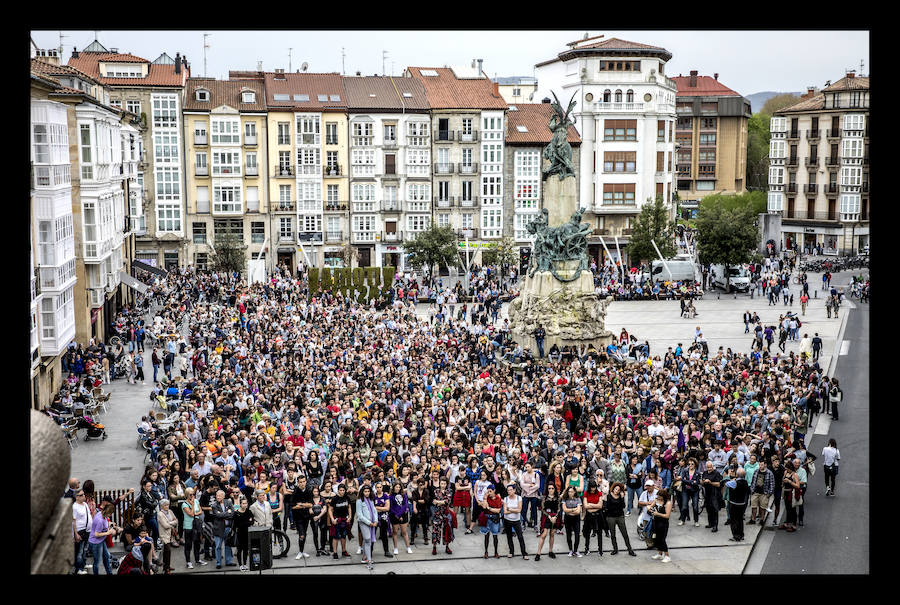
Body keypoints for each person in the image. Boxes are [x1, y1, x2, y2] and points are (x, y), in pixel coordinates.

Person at [88, 497, 120, 575]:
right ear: (108, 512)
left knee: (106, 558)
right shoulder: (100, 520)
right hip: (96, 542)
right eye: (111, 513)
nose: (111, 515)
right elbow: (96, 534)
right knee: (97, 562)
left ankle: (109, 573)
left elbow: (104, 525)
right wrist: (109, 532)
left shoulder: (102, 514)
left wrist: (110, 523)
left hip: (101, 541)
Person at [605, 482, 636, 556]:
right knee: (613, 534)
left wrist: (622, 498)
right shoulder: (609, 496)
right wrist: (616, 507)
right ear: (613, 488)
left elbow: (623, 506)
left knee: (625, 533)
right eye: (616, 489)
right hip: (611, 517)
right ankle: (615, 549)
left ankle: (630, 549)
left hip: (620, 516)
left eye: (618, 490)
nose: (617, 491)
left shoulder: (621, 496)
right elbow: (608, 507)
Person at [534, 484, 561, 561]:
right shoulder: (544, 498)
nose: (551, 490)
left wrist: (555, 517)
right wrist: (549, 516)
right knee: (544, 535)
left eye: (552, 488)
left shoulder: (557, 498)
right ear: (547, 489)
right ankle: (538, 553)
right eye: (549, 488)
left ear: (555, 489)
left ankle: (550, 551)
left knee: (552, 534)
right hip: (546, 517)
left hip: (555, 517)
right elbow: (542, 509)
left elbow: (559, 509)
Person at [210, 489, 236, 569]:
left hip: (228, 528)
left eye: (220, 495)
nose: (218, 497)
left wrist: (223, 514)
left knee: (228, 545)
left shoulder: (228, 502)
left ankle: (228, 561)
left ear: (224, 496)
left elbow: (233, 513)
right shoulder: (214, 505)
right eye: (217, 495)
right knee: (218, 546)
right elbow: (218, 516)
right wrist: (227, 513)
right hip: (219, 529)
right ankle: (218, 563)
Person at [502, 483, 528, 559]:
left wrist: (509, 509)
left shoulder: (519, 498)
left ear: (514, 490)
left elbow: (519, 510)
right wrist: (514, 510)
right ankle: (511, 552)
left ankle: (524, 553)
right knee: (509, 536)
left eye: (511, 490)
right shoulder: (506, 499)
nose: (509, 491)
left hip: (516, 521)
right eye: (508, 490)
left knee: (520, 536)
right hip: (507, 520)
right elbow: (505, 512)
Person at [180, 487, 205, 568]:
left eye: (193, 494)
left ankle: (197, 560)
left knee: (197, 543)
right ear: (187, 495)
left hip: (197, 525)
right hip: (188, 526)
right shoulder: (184, 504)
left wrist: (195, 512)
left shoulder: (197, 501)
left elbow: (200, 511)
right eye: (190, 494)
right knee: (188, 544)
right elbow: (191, 513)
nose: (192, 496)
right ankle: (188, 562)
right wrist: (193, 505)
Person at [355, 484, 378, 570]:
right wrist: (369, 522)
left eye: (368, 491)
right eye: (365, 491)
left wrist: (375, 521)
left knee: (367, 540)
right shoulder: (359, 501)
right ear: (362, 492)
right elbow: (359, 515)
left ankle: (365, 557)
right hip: (364, 523)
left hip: (372, 523)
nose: (367, 493)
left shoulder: (371, 499)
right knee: (368, 539)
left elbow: (374, 511)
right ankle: (369, 560)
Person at [328, 483, 353, 559]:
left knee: (343, 536)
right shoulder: (335, 499)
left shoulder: (347, 498)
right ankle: (335, 553)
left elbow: (349, 507)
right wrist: (332, 519)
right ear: (338, 491)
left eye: (343, 490)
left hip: (344, 519)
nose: (342, 492)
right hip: (337, 519)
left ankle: (343, 551)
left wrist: (350, 516)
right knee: (336, 537)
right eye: (340, 490)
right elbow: (330, 509)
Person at [430, 477, 454, 555]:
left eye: (444, 483)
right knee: (435, 530)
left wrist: (439, 502)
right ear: (439, 483)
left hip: (446, 514)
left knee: (447, 530)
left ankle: (447, 546)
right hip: (437, 513)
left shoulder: (449, 491)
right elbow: (433, 501)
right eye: (441, 483)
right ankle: (434, 547)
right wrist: (441, 502)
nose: (443, 485)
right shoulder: (435, 491)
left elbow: (447, 501)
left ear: (446, 484)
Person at [725, 468, 750, 542]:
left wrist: (729, 475)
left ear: (737, 474)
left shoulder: (735, 483)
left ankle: (736, 536)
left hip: (734, 503)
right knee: (740, 520)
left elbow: (726, 483)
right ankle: (741, 535)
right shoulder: (745, 482)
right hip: (742, 503)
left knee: (734, 520)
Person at [648, 488, 673, 563]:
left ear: (664, 496)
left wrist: (657, 514)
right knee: (656, 538)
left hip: (663, 523)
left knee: (662, 539)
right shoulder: (656, 500)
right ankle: (660, 553)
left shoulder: (668, 503)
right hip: (655, 522)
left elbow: (667, 515)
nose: (658, 497)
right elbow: (650, 506)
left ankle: (667, 555)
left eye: (660, 496)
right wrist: (649, 508)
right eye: (658, 495)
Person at [388, 481, 413, 555]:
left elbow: (405, 506)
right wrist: (397, 515)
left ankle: (408, 547)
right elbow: (391, 507)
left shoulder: (404, 495)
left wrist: (400, 515)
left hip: (403, 515)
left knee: (404, 532)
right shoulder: (391, 496)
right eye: (396, 487)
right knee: (395, 532)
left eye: (399, 487)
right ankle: (395, 548)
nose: (398, 488)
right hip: (394, 515)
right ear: (393, 487)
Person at [581, 480, 604, 556]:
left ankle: (600, 549)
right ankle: (586, 549)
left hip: (598, 515)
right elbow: (585, 506)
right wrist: (595, 505)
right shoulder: (585, 493)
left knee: (599, 533)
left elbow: (600, 505)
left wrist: (591, 505)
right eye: (592, 488)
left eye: (594, 488)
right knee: (587, 533)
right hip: (589, 516)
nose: (593, 489)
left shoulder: (599, 493)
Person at [71, 488, 92, 574]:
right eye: (81, 495)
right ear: (76, 497)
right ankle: (78, 569)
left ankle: (83, 564)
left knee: (85, 549)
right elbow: (73, 521)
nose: (84, 496)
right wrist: (75, 534)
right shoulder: (74, 507)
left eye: (84, 494)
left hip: (87, 530)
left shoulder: (85, 504)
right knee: (79, 551)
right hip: (80, 531)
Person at [748, 460, 775, 525]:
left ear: (765, 465)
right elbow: (753, 481)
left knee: (763, 507)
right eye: (759, 465)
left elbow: (772, 484)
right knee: (753, 506)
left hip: (764, 493)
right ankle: (753, 519)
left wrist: (769, 493)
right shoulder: (756, 471)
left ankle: (762, 520)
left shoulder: (769, 473)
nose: (760, 466)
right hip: (755, 492)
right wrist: (752, 490)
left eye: (762, 465)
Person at [157, 499, 178, 574]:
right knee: (167, 550)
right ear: (161, 506)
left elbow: (176, 521)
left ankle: (167, 566)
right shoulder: (160, 514)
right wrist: (172, 523)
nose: (167, 506)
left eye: (168, 504)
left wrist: (169, 522)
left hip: (170, 535)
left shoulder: (170, 511)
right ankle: (166, 569)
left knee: (168, 552)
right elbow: (165, 526)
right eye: (165, 505)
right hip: (164, 535)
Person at [232, 495, 253, 571]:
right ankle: (240, 564)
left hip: (247, 534)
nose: (245, 505)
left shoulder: (248, 512)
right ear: (240, 504)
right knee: (239, 550)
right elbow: (235, 526)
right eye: (243, 503)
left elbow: (252, 521)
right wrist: (247, 522)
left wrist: (246, 522)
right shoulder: (236, 513)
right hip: (239, 535)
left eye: (246, 503)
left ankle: (245, 563)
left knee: (245, 550)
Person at [701, 461, 723, 532]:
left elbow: (719, 484)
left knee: (714, 509)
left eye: (710, 467)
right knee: (708, 509)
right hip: (707, 493)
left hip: (714, 494)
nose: (709, 469)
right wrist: (703, 482)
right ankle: (710, 523)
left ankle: (715, 526)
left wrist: (710, 482)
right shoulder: (705, 473)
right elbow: (702, 482)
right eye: (708, 467)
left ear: (713, 467)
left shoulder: (716, 473)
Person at [561, 485, 582, 557]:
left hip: (576, 519)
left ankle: (576, 551)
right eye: (569, 491)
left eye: (572, 492)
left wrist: (569, 511)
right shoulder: (565, 498)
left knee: (577, 535)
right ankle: (570, 550)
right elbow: (564, 510)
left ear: (575, 492)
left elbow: (578, 511)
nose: (570, 493)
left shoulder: (578, 499)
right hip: (568, 519)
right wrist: (573, 509)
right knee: (568, 535)